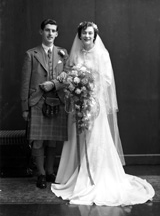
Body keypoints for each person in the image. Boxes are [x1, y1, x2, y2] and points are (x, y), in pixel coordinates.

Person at [51, 21, 155, 206]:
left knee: (95, 138)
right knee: (78, 138)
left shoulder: (102, 54)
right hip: (78, 103)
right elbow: (69, 74)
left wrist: (88, 88)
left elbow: (106, 79)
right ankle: (75, 173)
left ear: (95, 35)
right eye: (84, 33)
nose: (86, 36)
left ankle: (96, 175)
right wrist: (76, 87)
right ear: (80, 35)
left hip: (93, 103)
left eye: (90, 33)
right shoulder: (75, 53)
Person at [21, 19, 68, 189]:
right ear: (41, 32)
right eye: (47, 30)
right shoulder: (31, 54)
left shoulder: (63, 54)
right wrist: (25, 107)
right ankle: (40, 173)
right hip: (37, 102)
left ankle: (49, 172)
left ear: (57, 33)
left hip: (57, 102)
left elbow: (68, 77)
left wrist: (54, 84)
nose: (50, 33)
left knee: (52, 141)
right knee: (38, 141)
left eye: (53, 30)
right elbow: (25, 83)